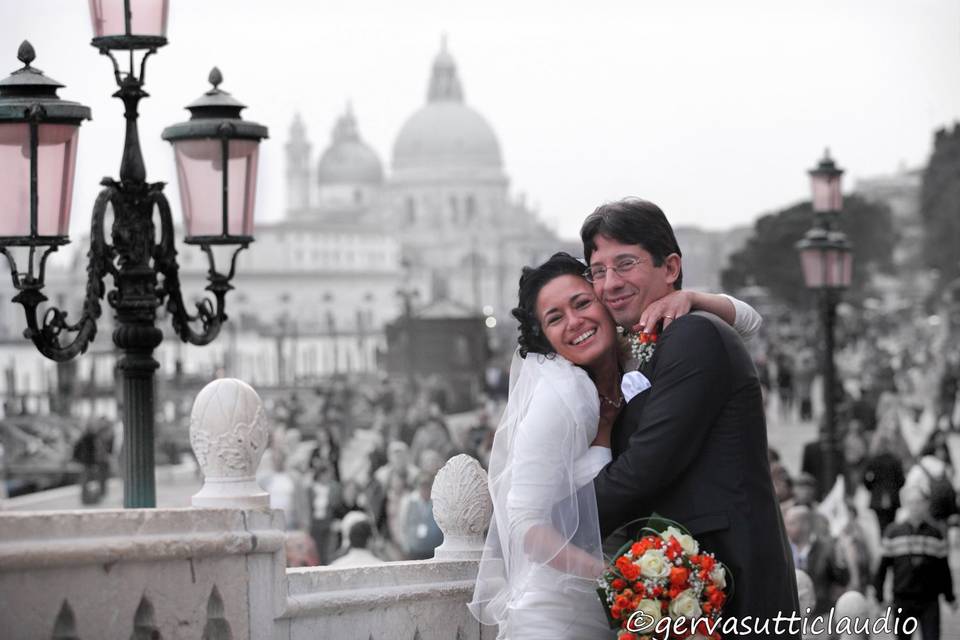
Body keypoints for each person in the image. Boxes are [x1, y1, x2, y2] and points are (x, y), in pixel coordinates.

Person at [469, 248, 769, 638]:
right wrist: (625, 581)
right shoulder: (561, 393)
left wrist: (690, 298)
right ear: (544, 337)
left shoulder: (630, 360)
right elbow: (526, 528)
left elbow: (748, 322)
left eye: (582, 303)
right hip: (558, 615)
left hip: (605, 611)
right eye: (555, 318)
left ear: (604, 302)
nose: (575, 323)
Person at [584, 199, 800, 637]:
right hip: (689, 584)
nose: (609, 283)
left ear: (670, 267)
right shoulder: (648, 341)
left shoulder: (693, 335)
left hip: (731, 580)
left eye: (625, 263)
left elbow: (647, 467)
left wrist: (552, 519)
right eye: (598, 270)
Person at [872, 484, 956, 640]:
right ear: (906, 504)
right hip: (902, 599)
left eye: (919, 502)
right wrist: (879, 597)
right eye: (912, 502)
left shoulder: (936, 533)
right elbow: (882, 569)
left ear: (926, 504)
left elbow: (943, 569)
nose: (916, 507)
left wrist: (950, 597)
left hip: (929, 600)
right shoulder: (893, 533)